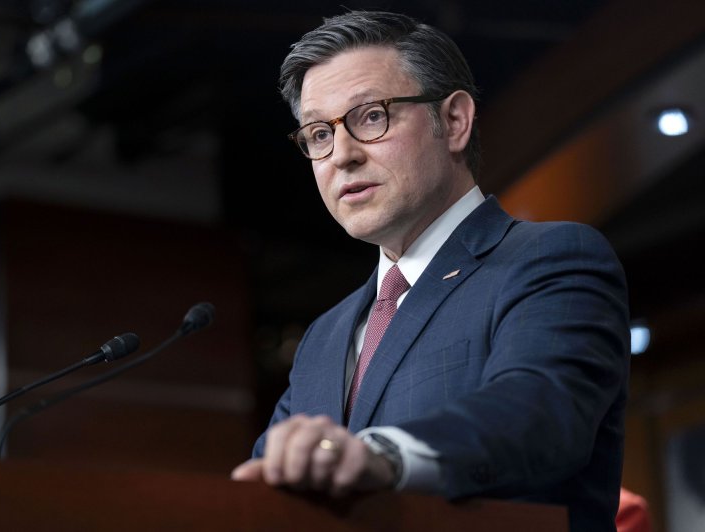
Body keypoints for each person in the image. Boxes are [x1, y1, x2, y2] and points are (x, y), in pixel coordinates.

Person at [231, 10, 630, 532]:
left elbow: (539, 412)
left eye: (371, 116)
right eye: (318, 133)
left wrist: (384, 458)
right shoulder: (323, 337)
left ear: (456, 121)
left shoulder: (549, 258)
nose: (342, 155)